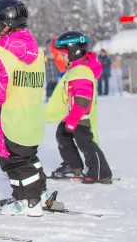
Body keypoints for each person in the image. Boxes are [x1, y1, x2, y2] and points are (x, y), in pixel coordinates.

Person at [0, 0, 55, 217]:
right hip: (32, 118)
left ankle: (28, 202)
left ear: (3, 24)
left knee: (14, 163)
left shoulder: (0, 55)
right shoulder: (38, 53)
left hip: (11, 120)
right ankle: (38, 194)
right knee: (29, 157)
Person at [45, 31, 113, 184]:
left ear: (74, 52)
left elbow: (83, 99)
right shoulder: (77, 69)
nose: (61, 59)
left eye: (63, 55)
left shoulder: (81, 72)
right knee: (62, 135)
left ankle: (101, 172)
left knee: (85, 142)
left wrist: (73, 119)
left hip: (81, 117)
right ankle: (73, 165)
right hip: (73, 114)